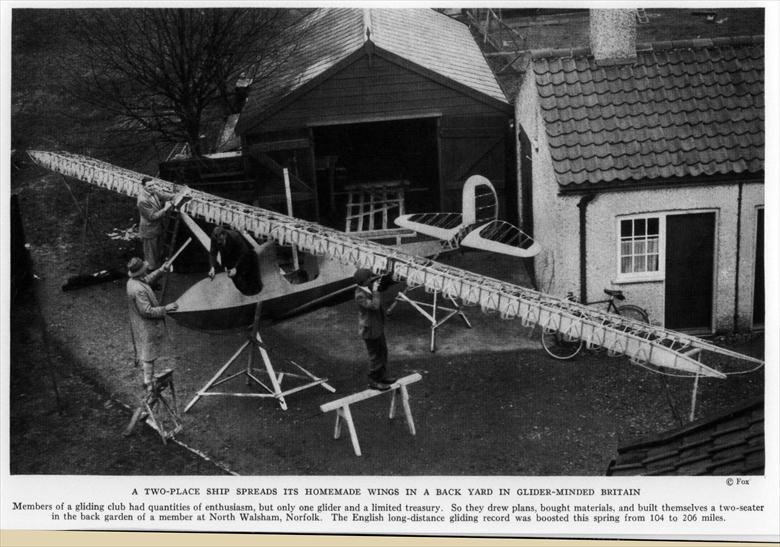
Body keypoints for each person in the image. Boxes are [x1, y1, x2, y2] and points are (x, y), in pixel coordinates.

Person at [126, 257, 178, 391]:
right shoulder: (137, 289)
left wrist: (161, 270)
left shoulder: (134, 281)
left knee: (149, 351)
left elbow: (147, 280)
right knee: (148, 353)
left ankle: (148, 380)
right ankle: (148, 382)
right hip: (146, 324)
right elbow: (146, 311)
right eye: (144, 268)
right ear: (140, 271)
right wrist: (165, 309)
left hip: (141, 323)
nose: (146, 270)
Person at [354, 268, 396, 390]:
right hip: (370, 330)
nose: (372, 280)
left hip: (376, 327)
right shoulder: (360, 295)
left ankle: (381, 376)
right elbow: (374, 306)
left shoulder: (367, 289)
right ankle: (373, 380)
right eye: (369, 279)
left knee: (383, 352)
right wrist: (376, 291)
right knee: (375, 356)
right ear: (364, 281)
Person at [208, 226, 262, 296]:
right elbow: (213, 252)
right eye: (218, 241)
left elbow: (244, 254)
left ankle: (253, 292)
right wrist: (212, 267)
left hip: (242, 257)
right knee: (236, 280)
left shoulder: (235, 237)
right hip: (228, 258)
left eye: (221, 240)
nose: (219, 242)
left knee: (248, 278)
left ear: (225, 235)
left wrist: (236, 268)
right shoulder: (215, 238)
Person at [137, 176, 174, 271]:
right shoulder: (142, 200)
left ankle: (156, 271)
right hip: (149, 231)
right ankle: (150, 276)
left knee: (157, 252)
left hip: (157, 228)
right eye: (149, 186)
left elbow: (163, 196)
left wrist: (176, 196)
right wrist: (165, 209)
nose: (152, 187)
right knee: (150, 258)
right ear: (143, 187)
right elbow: (152, 217)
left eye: (153, 185)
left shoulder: (153, 191)